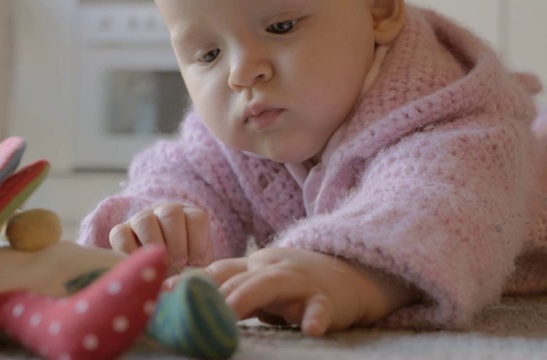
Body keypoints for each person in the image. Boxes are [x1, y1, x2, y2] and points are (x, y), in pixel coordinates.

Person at [78, 0, 547, 336]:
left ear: (378, 10)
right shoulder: (247, 125)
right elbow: (184, 174)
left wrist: (345, 271)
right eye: (209, 55)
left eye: (281, 26)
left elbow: (436, 199)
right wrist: (164, 223)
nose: (241, 72)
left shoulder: (451, 117)